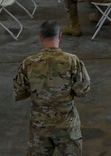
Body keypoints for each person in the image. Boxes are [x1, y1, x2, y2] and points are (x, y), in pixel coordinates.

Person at [13, 21, 91, 156]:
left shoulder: (28, 63)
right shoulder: (72, 61)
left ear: (40, 37)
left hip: (39, 125)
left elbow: (18, 93)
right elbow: (82, 90)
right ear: (60, 35)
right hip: (67, 125)